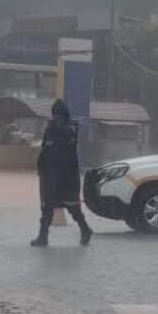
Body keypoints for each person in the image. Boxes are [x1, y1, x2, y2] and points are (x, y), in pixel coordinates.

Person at [31, 99, 93, 247]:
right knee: (72, 205)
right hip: (69, 173)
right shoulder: (73, 127)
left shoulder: (52, 127)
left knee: (48, 205)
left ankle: (43, 236)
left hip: (53, 172)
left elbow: (46, 148)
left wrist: (41, 167)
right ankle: (84, 229)